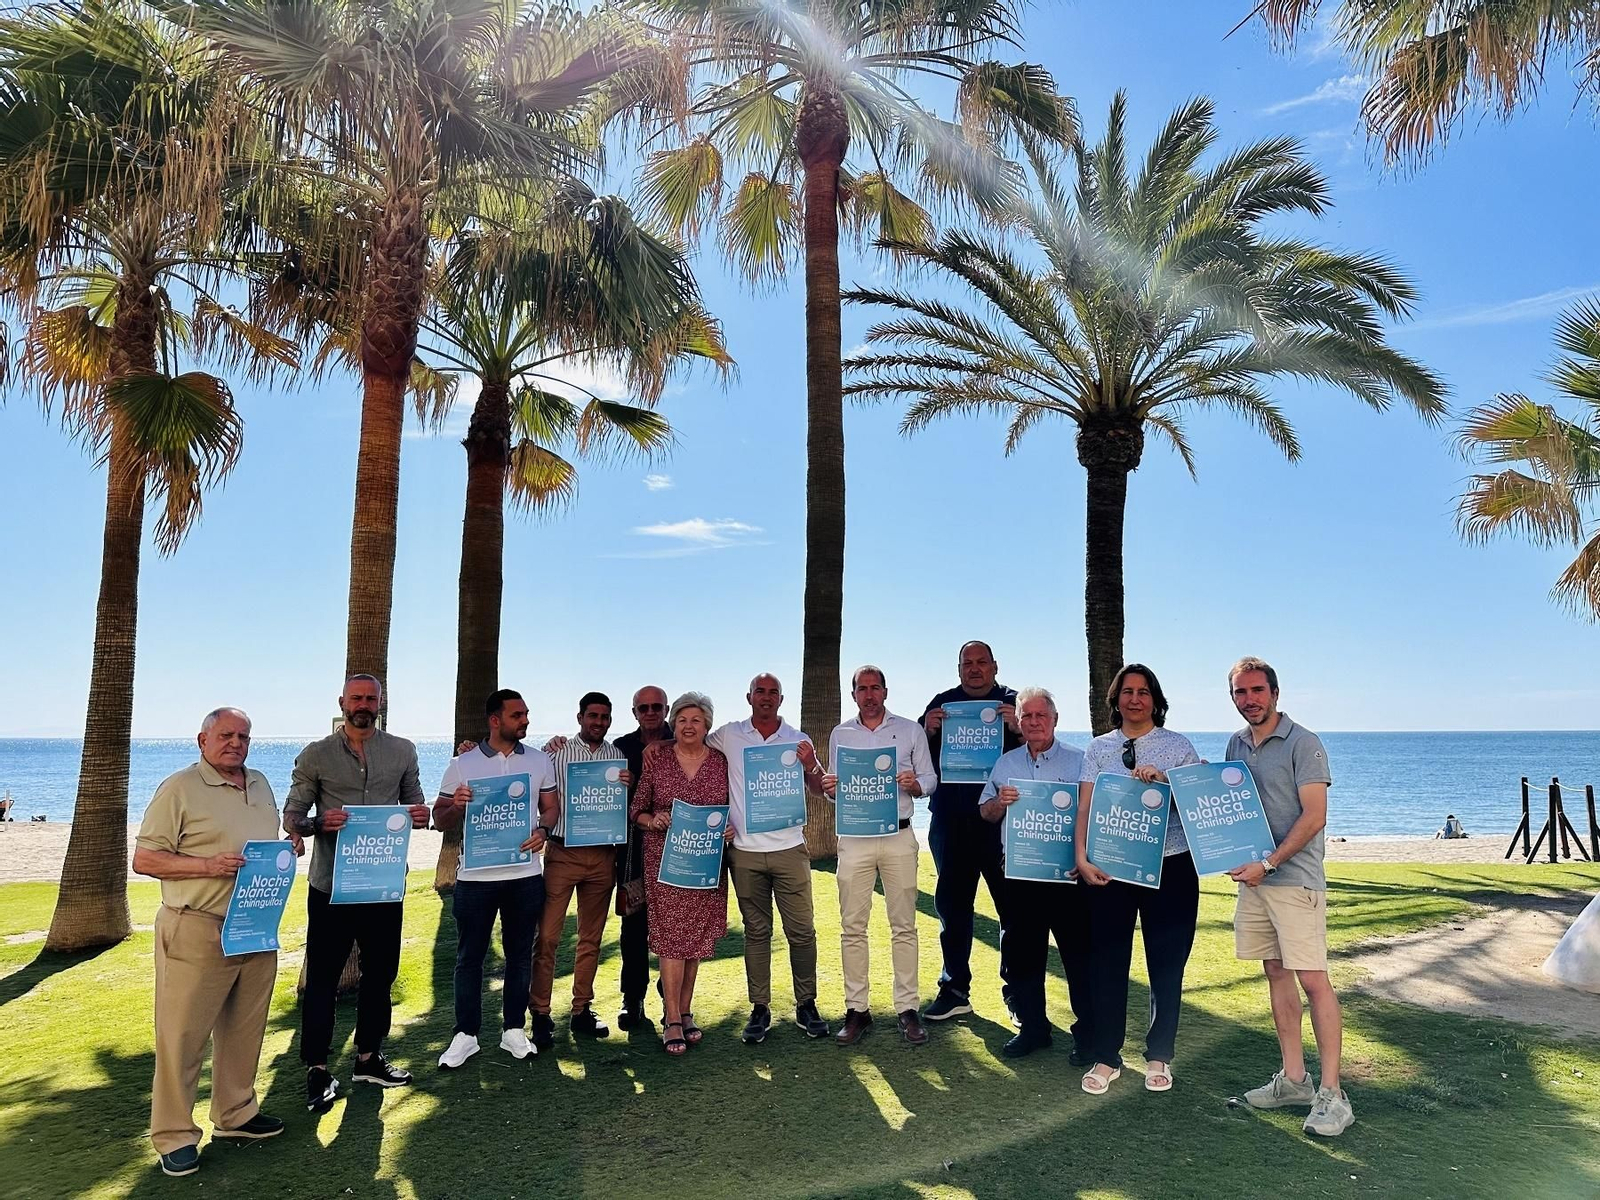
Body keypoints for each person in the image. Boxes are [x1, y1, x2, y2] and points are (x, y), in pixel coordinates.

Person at [133, 708, 295, 1177]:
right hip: (197, 924)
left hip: (255, 922)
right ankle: (174, 1135)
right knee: (182, 1035)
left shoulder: (261, 783)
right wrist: (208, 867)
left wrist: (286, 848)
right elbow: (145, 858)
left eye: (244, 736)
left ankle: (236, 1115)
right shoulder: (179, 788)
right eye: (226, 735)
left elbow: (257, 844)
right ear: (201, 740)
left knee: (245, 1029)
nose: (236, 743)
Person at [284, 673, 429, 1113]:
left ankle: (369, 1058)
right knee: (323, 979)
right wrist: (315, 824)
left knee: (381, 974)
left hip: (384, 886)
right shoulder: (317, 754)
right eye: (356, 698)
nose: (363, 704)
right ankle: (317, 1069)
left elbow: (416, 806)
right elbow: (292, 816)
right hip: (331, 886)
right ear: (342, 702)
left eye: (371, 698)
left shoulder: (402, 750)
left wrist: (420, 815)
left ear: (381, 703)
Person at [1228, 657, 1351, 1136]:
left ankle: (1333, 1094)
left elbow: (1314, 815)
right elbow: (1228, 804)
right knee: (1275, 972)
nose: (1249, 700)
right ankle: (1295, 1081)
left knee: (1314, 981)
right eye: (1240, 692)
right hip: (1256, 883)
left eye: (1256, 690)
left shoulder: (1305, 743)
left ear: (1275, 693)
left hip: (1294, 879)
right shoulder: (1237, 743)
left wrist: (1269, 863)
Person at [1074, 663, 1200, 1096]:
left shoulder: (1178, 746)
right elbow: (1085, 809)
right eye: (1127, 691)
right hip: (1113, 867)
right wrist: (1081, 858)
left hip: (1172, 866)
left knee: (1166, 965)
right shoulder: (1098, 749)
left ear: (1155, 699)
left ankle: (1159, 1054)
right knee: (1107, 963)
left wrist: (1166, 781)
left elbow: (1199, 807)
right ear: (1116, 699)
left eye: (1143, 692)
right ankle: (1107, 1057)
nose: (1134, 699)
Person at [431, 689, 556, 1068]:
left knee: (520, 957)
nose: (526, 721)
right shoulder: (462, 764)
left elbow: (550, 809)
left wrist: (544, 831)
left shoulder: (539, 761)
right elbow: (439, 819)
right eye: (518, 715)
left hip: (525, 875)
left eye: (527, 714)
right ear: (495, 720)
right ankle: (465, 1035)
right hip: (475, 878)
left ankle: (513, 1030)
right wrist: (455, 804)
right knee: (470, 958)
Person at [708, 673, 829, 1043]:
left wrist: (811, 764)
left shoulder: (798, 739)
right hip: (744, 853)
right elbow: (689, 742)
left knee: (802, 932)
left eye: (772, 692)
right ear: (749, 697)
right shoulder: (728, 735)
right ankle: (759, 1008)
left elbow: (820, 788)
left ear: (781, 698)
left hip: (789, 849)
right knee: (757, 933)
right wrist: (655, 746)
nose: (766, 697)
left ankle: (806, 1004)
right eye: (760, 691)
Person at [823, 665, 937, 1046]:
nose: (869, 695)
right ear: (853, 694)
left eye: (875, 688)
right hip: (854, 839)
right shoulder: (841, 733)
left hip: (898, 836)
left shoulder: (909, 729)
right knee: (852, 927)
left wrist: (915, 784)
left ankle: (907, 1009)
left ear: (885, 691)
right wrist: (829, 788)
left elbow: (931, 779)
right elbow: (835, 790)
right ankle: (857, 1010)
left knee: (903, 925)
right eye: (862, 689)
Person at [978, 687, 1088, 1060]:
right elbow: (986, 813)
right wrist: (999, 802)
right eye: (1027, 716)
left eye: (1041, 715)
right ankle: (1033, 1029)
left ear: (1055, 719)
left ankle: (1087, 1034)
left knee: (1078, 957)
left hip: (1068, 878)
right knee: (1024, 957)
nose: (1035, 722)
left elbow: (1093, 816)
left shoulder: (1080, 761)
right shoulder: (1006, 763)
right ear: (1019, 723)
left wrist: (1086, 858)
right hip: (1021, 878)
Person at [919, 641, 1022, 1023]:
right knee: (952, 910)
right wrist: (924, 729)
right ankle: (955, 990)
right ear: (958, 668)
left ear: (995, 666)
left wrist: (1018, 726)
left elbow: (1040, 747)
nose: (975, 669)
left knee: (1012, 912)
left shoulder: (1014, 702)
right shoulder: (943, 704)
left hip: (1002, 823)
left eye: (982, 663)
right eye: (968, 663)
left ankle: (1017, 994)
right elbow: (917, 760)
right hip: (951, 821)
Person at [630, 692, 733, 1054]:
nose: (689, 726)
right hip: (665, 864)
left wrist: (731, 828)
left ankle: (686, 1010)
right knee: (672, 939)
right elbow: (637, 810)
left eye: (696, 720)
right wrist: (652, 819)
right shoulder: (658, 760)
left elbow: (734, 806)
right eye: (682, 719)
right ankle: (672, 1017)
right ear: (674, 723)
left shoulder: (721, 762)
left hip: (707, 862)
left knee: (695, 940)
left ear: (707, 725)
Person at [532, 692, 631, 1047]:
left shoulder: (618, 757)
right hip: (562, 853)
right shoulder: (555, 753)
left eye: (605, 717)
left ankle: (581, 1010)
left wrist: (627, 786)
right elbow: (537, 791)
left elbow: (626, 804)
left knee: (591, 939)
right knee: (547, 937)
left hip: (604, 856)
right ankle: (540, 1013)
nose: (599, 722)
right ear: (580, 717)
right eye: (593, 716)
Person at [613, 685, 670, 1031]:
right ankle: (632, 999)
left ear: (666, 709)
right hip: (634, 849)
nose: (650, 712)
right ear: (634, 711)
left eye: (657, 706)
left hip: (677, 848)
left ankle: (673, 1000)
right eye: (643, 707)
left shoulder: (683, 740)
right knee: (632, 928)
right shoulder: (620, 747)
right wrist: (558, 743)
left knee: (672, 927)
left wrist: (662, 745)